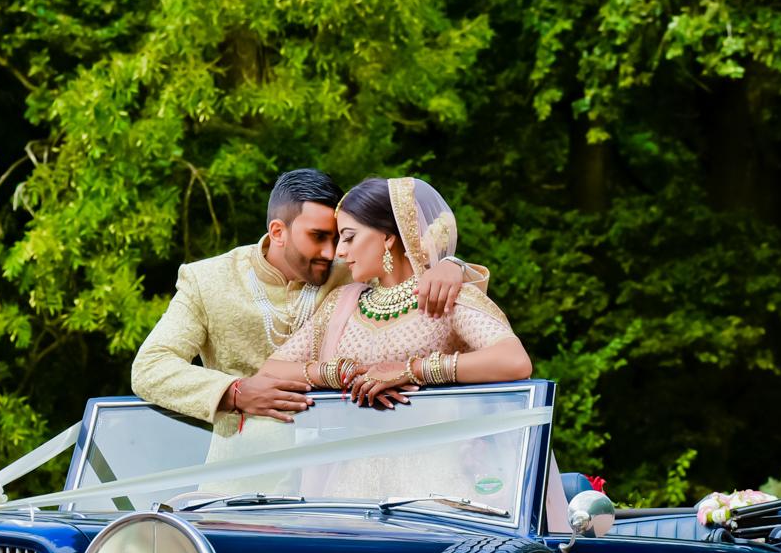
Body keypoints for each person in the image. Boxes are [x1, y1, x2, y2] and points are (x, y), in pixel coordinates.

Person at [129, 169, 483, 436]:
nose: (332, 252)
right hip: (243, 468)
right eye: (318, 237)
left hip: (338, 463)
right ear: (278, 232)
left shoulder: (352, 272)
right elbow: (150, 368)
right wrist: (234, 392)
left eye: (338, 237)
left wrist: (453, 265)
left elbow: (405, 260)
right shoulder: (207, 281)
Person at [256, 176, 532, 404]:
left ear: (387, 237)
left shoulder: (442, 293)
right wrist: (332, 373)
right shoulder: (343, 302)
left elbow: (514, 361)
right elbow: (270, 372)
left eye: (349, 237)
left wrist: (412, 370)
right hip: (355, 459)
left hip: (438, 457)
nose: (339, 251)